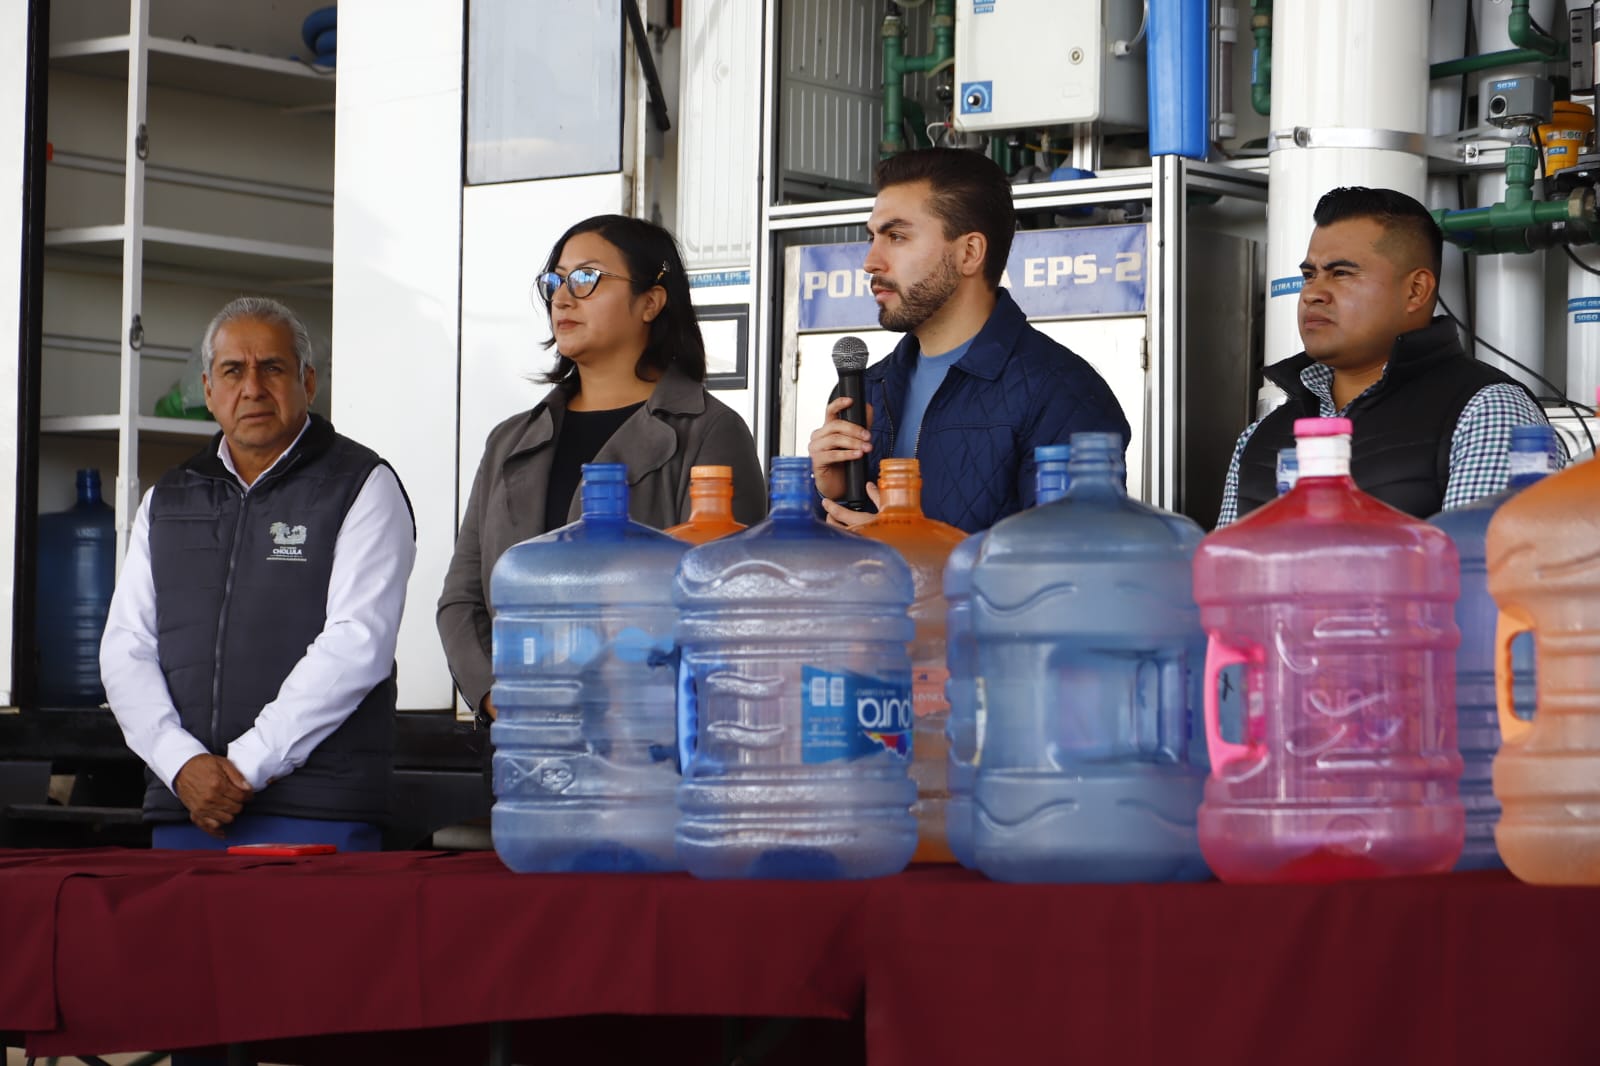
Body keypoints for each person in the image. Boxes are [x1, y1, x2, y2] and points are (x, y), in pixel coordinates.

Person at [100, 297, 417, 851]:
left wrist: (242, 767)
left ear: (308, 381)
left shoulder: (362, 485)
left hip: (317, 810)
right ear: (207, 390)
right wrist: (183, 765)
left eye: (272, 367)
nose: (252, 387)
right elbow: (125, 648)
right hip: (188, 809)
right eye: (232, 370)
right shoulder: (167, 498)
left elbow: (358, 643)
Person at [437, 214, 764, 725]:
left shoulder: (709, 431)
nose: (562, 298)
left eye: (586, 278)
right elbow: (461, 598)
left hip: (645, 743)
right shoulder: (510, 440)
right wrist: (495, 697)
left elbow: (726, 610)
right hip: (523, 737)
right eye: (555, 282)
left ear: (651, 301)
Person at [806, 147, 1131, 534]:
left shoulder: (1063, 395)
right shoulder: (867, 390)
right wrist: (830, 493)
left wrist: (915, 553)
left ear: (970, 253)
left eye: (896, 236)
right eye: (872, 237)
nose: (870, 261)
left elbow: (1070, 571)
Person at [1217, 185, 1558, 526]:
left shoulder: (1485, 410)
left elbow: (1480, 571)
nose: (1313, 294)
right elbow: (1221, 573)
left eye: (1341, 273)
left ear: (1415, 291)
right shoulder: (1259, 437)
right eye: (1309, 275)